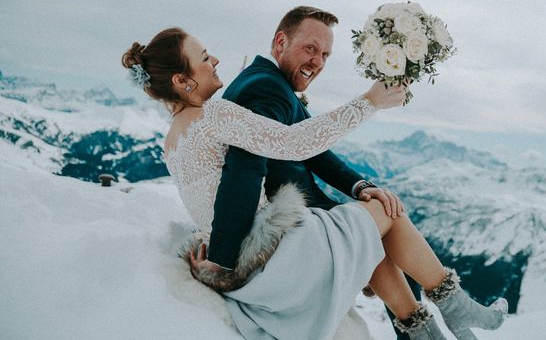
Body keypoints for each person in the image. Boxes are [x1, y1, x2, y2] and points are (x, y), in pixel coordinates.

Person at [122, 24, 508, 340]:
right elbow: (295, 143)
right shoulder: (215, 115)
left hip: (245, 263)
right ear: (182, 80)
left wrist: (221, 260)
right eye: (204, 58)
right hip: (275, 256)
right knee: (385, 209)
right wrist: (370, 101)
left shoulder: (172, 140)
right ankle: (454, 308)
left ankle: (433, 328)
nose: (216, 60)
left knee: (360, 230)